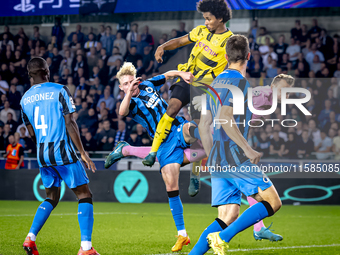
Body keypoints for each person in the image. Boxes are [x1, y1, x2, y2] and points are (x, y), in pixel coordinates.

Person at [191, 34, 281, 254]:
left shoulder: (213, 84)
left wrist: (213, 158)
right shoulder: (239, 82)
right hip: (234, 154)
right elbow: (227, 118)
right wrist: (247, 149)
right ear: (249, 55)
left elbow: (204, 126)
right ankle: (222, 238)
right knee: (273, 201)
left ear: (225, 55)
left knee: (228, 215)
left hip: (218, 157)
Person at [105, 62, 198, 252]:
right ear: (122, 87)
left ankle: (198, 171)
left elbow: (167, 74)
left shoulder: (148, 84)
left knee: (193, 130)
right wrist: (129, 92)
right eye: (126, 83)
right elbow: (121, 112)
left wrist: (182, 73)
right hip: (162, 144)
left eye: (132, 80)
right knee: (171, 186)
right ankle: (182, 234)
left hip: (177, 127)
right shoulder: (130, 102)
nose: (132, 84)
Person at [20, 57, 99, 255]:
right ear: (47, 70)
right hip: (62, 151)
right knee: (84, 194)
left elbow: (30, 133)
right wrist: (82, 152)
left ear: (30, 75)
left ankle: (30, 238)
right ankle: (86, 249)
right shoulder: (59, 90)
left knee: (52, 197)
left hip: (42, 154)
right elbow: (70, 123)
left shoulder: (24, 99)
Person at [144, 0, 233, 167]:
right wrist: (162, 47)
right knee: (172, 108)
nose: (206, 22)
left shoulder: (230, 41)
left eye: (209, 19)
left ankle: (196, 173)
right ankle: (153, 152)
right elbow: (179, 42)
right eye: (205, 18)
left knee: (200, 129)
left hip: (204, 89)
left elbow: (235, 65)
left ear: (220, 18)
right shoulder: (201, 31)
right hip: (187, 78)